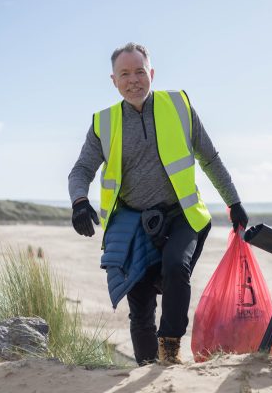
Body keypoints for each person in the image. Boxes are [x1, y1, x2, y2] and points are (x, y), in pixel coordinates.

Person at [68, 43, 248, 366]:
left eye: (140, 72)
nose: (133, 80)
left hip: (181, 215)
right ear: (114, 80)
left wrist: (233, 201)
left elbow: (210, 158)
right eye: (125, 74)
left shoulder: (178, 106)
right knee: (140, 307)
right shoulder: (103, 123)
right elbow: (81, 170)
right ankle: (145, 369)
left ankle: (170, 350)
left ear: (151, 73)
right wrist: (79, 201)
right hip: (132, 224)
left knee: (176, 268)